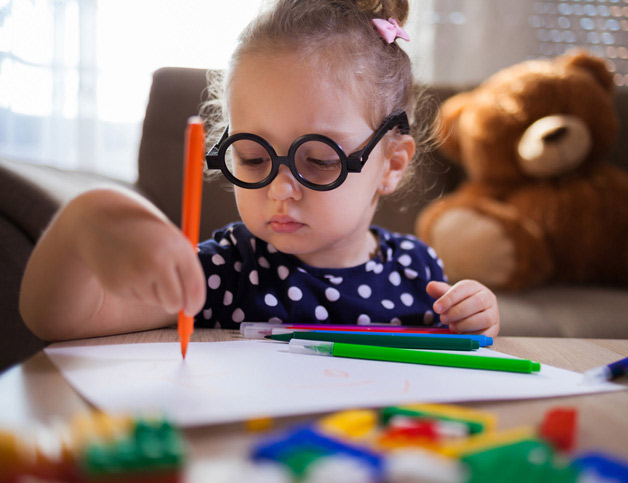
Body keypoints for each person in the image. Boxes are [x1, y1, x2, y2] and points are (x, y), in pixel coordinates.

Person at [19, 0, 500, 341]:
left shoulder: (418, 271)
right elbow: (59, 320)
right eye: (252, 157)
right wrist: (81, 225)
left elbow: (455, 362)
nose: (279, 188)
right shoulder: (226, 271)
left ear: (392, 164)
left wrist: (477, 319)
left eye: (319, 159)